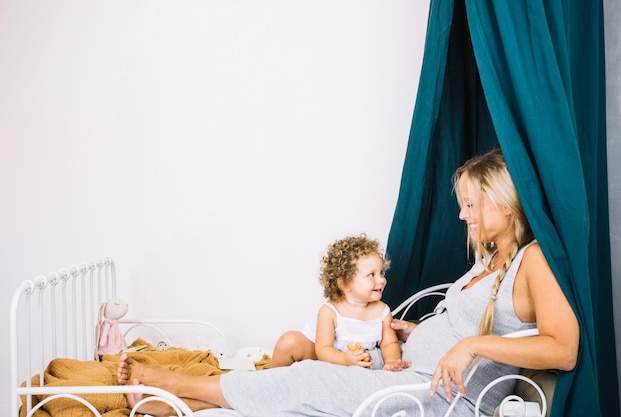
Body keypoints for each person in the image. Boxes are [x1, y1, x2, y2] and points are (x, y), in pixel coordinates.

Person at [117, 148, 579, 417]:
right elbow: (464, 325)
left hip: (431, 396)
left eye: (470, 205)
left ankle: (172, 384)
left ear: (501, 202)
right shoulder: (491, 257)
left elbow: (562, 348)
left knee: (306, 378)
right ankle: (183, 405)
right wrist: (416, 332)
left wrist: (473, 347)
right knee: (306, 378)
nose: (462, 215)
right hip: (400, 369)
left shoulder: (533, 260)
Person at [270, 234, 402, 370]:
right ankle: (268, 378)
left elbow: (389, 343)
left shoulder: (382, 312)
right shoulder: (330, 312)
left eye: (381, 273)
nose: (381, 280)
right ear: (345, 284)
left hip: (351, 361)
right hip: (321, 352)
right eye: (371, 275)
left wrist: (391, 362)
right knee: (288, 342)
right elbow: (323, 349)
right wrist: (344, 359)